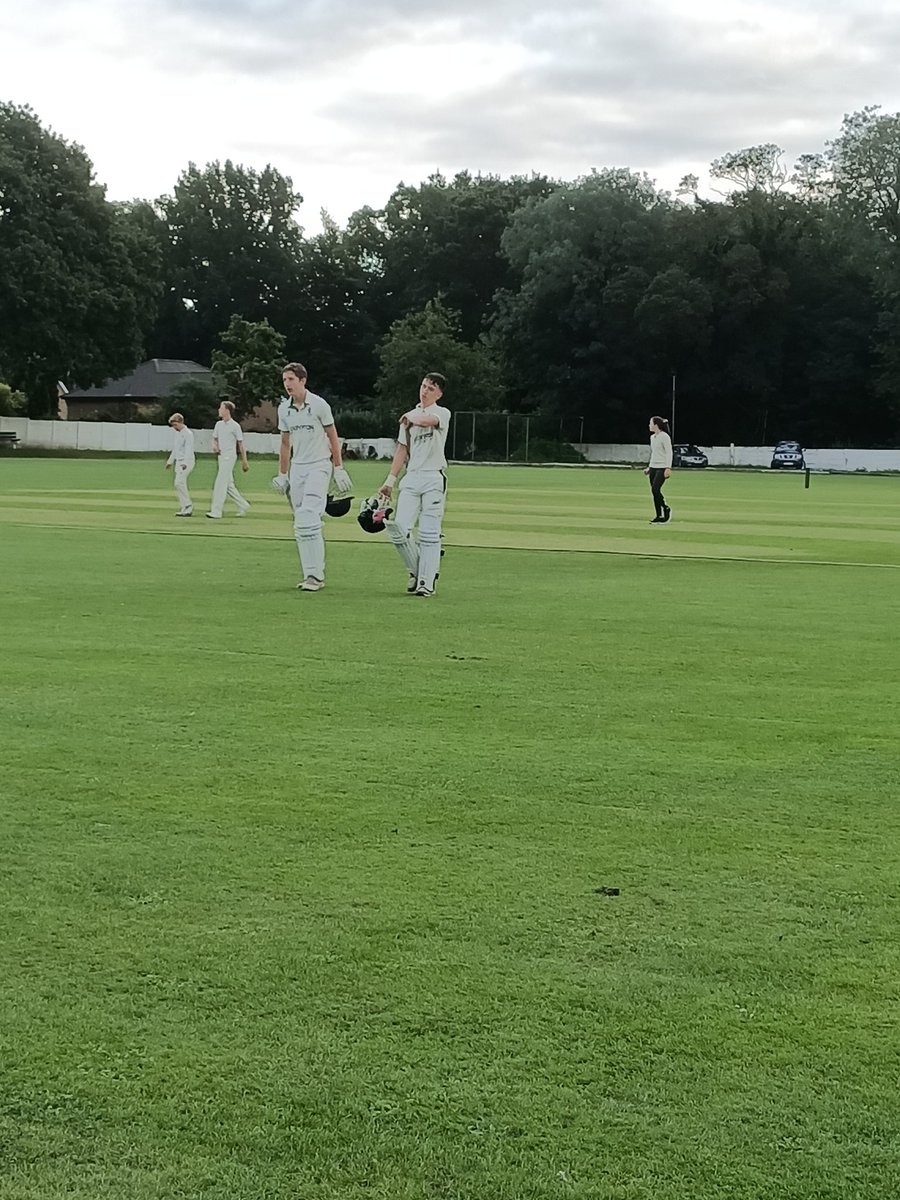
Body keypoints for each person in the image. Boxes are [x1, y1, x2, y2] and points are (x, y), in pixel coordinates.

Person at [271, 362, 353, 592]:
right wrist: (283, 474)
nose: (287, 384)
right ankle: (309, 574)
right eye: (285, 380)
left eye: (291, 380)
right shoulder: (283, 409)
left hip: (319, 465)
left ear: (302, 381)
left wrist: (338, 468)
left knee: (308, 515)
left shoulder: (319, 405)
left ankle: (316, 577)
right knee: (301, 523)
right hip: (298, 467)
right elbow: (285, 443)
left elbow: (333, 437)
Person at [378, 372, 450, 597]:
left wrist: (411, 418)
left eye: (430, 388)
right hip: (412, 476)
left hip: (433, 477)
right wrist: (390, 481)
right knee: (399, 529)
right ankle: (418, 570)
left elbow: (429, 420)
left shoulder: (442, 412)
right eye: (423, 386)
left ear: (439, 393)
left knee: (429, 533)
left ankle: (426, 583)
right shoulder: (409, 416)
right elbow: (402, 450)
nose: (425, 390)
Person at [207, 401, 250, 519]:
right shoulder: (218, 425)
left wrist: (244, 461)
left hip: (229, 457)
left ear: (227, 410)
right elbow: (214, 439)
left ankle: (216, 511)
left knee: (220, 483)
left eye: (221, 408)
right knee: (228, 484)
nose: (219, 410)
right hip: (221, 457)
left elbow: (241, 444)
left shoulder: (235, 426)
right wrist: (214, 445)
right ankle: (243, 505)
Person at [165, 412, 195, 516]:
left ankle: (188, 506)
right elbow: (176, 449)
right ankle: (184, 507)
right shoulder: (178, 434)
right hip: (179, 462)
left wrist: (185, 462)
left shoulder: (188, 434)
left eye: (175, 425)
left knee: (179, 482)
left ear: (180, 422)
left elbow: (189, 449)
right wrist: (170, 461)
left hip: (187, 462)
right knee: (178, 484)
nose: (174, 427)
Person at [644, 415, 673, 524]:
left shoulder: (664, 436)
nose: (649, 425)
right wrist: (649, 467)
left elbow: (669, 452)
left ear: (656, 425)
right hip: (654, 467)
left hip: (662, 467)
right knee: (654, 492)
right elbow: (654, 454)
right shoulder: (653, 438)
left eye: (651, 423)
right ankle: (658, 514)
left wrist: (668, 467)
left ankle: (665, 508)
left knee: (655, 489)